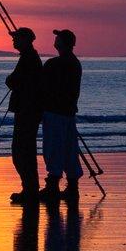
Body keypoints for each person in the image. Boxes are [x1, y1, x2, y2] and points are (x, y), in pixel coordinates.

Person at [40, 29, 83, 202]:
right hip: (68, 112)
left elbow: (41, 84)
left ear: (62, 43)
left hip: (55, 112)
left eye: (57, 38)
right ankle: (72, 187)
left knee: (53, 148)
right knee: (69, 149)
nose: (55, 40)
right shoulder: (75, 63)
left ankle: (53, 186)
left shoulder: (54, 64)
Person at [5, 27, 43, 204]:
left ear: (25, 40)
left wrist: (11, 80)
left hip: (27, 111)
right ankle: (29, 188)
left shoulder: (28, 58)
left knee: (21, 152)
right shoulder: (29, 57)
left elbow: (13, 81)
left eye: (16, 38)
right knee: (24, 151)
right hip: (28, 110)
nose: (13, 41)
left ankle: (30, 190)